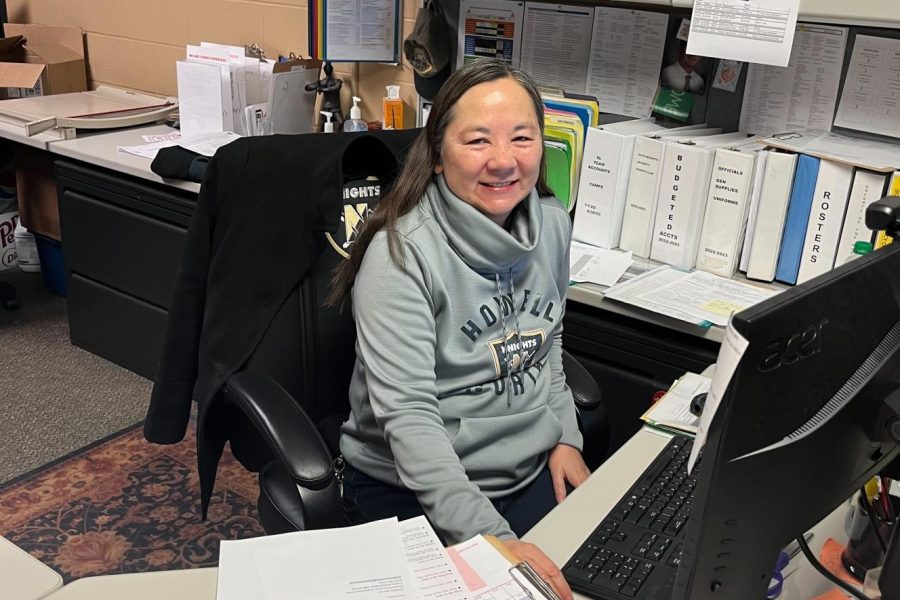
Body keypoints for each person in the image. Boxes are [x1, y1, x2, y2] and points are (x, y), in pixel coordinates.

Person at [327, 59, 589, 600]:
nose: (503, 160)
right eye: (477, 141)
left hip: (527, 468)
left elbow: (549, 339)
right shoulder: (400, 256)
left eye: (522, 137)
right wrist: (493, 540)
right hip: (412, 487)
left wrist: (564, 435)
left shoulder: (552, 226)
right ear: (439, 156)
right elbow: (411, 419)